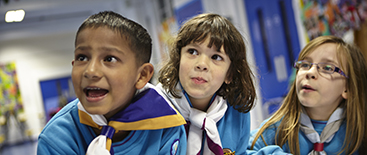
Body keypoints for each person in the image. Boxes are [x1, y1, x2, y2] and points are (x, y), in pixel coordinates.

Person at [37, 11, 187, 155]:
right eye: (82, 58)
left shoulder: (165, 125)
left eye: (109, 59)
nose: (90, 71)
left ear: (141, 75)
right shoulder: (56, 138)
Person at [247, 35, 367, 154]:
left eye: (327, 68)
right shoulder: (278, 128)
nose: (310, 72)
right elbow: (239, 150)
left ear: (348, 89)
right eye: (305, 65)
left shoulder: (359, 132)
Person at [157, 13, 257, 155]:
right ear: (178, 60)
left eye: (216, 57)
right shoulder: (153, 109)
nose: (202, 64)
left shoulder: (235, 110)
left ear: (229, 74)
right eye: (192, 51)